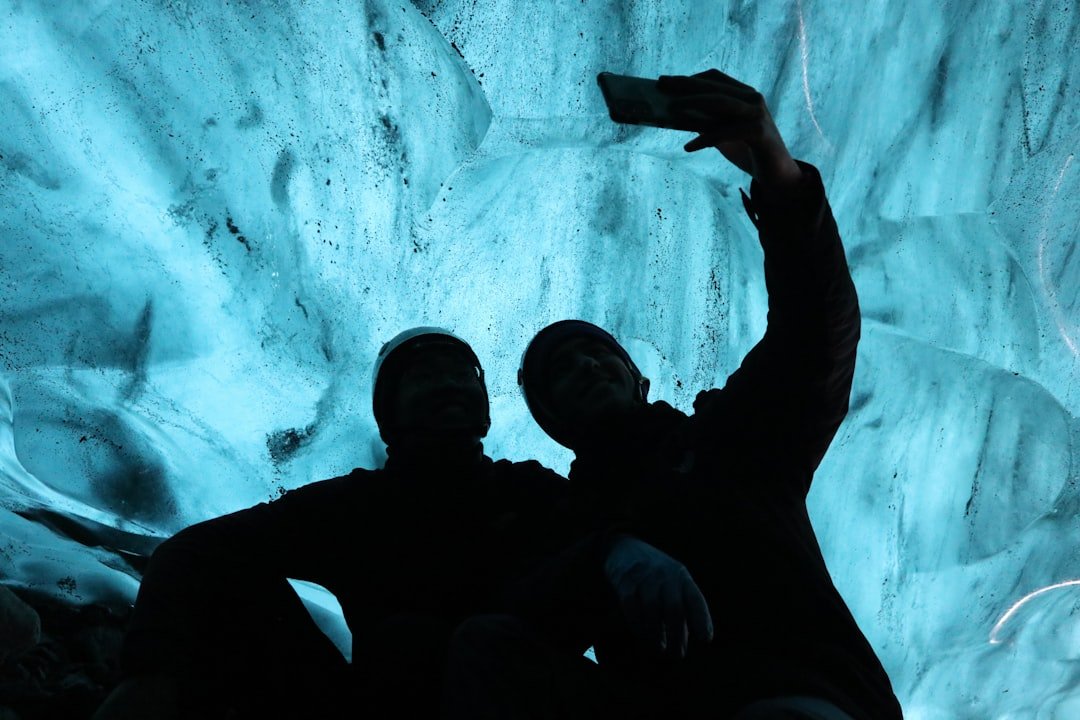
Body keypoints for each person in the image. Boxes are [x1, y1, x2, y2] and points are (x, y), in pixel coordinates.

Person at [515, 70, 904, 719]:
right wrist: (606, 554)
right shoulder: (557, 520)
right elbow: (514, 613)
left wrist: (778, 178)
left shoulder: (735, 440)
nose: (584, 367)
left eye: (596, 353)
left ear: (640, 379)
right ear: (553, 421)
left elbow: (814, 333)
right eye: (560, 371)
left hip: (808, 695)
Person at [95, 326, 695, 720]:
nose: (448, 385)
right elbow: (199, 554)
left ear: (485, 412)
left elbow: (597, 546)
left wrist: (618, 545)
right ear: (389, 417)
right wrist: (152, 672)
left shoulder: (530, 491)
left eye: (460, 375)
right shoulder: (353, 505)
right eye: (424, 377)